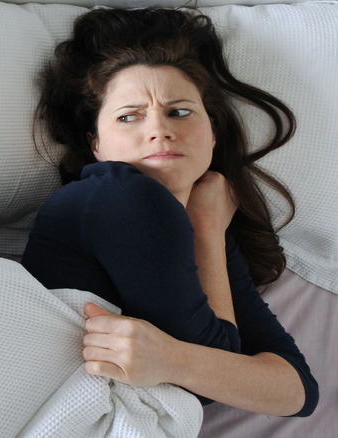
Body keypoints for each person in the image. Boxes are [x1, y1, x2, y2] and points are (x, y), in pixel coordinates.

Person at [21, 8, 318, 417]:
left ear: (212, 134)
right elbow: (212, 376)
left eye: (179, 111)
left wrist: (209, 231)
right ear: (97, 147)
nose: (160, 129)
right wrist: (178, 361)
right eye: (129, 117)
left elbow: (297, 391)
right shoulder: (118, 196)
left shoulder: (204, 221)